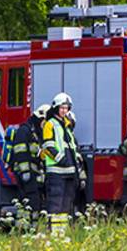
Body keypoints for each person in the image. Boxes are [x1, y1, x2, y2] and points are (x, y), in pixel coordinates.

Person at [41, 93, 78, 234]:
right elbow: (48, 146)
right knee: (55, 204)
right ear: (56, 108)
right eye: (62, 108)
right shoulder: (50, 124)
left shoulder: (67, 127)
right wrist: (62, 159)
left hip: (69, 172)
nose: (64, 111)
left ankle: (61, 233)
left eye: (66, 108)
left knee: (66, 205)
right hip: (56, 171)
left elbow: (72, 148)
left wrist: (75, 165)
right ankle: (54, 233)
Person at [6, 104, 49, 226]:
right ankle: (24, 227)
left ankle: (31, 227)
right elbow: (20, 151)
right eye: (44, 121)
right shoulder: (24, 130)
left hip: (33, 174)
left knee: (34, 201)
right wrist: (25, 172)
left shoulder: (36, 132)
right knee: (30, 201)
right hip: (25, 174)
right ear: (40, 118)